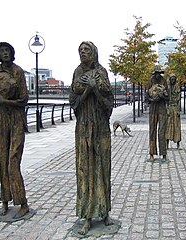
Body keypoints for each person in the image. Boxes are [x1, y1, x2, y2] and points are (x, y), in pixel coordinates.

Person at [69, 41, 114, 235]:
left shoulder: (102, 71)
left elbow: (108, 101)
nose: (83, 53)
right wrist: (89, 89)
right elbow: (74, 102)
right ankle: (87, 216)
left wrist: (95, 88)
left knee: (103, 167)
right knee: (85, 168)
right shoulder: (77, 72)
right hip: (84, 127)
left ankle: (104, 212)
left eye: (86, 50)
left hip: (101, 127)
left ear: (94, 52)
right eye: (80, 50)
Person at [0, 42, 29, 219]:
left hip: (16, 119)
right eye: (1, 51)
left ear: (12, 53)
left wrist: (6, 102)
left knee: (13, 160)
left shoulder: (18, 71)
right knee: (3, 159)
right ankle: (5, 200)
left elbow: (24, 99)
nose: (5, 53)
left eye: (7, 50)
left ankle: (22, 203)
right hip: (3, 119)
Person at [145, 66, 169, 161]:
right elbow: (146, 98)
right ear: (154, 73)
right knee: (152, 130)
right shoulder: (150, 81)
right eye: (156, 73)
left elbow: (168, 97)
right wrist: (152, 99)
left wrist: (162, 96)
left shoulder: (164, 81)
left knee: (162, 131)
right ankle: (152, 153)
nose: (158, 75)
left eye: (159, 73)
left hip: (162, 107)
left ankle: (163, 153)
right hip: (153, 108)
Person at [166, 74, 181, 149]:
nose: (173, 80)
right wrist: (167, 110)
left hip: (175, 108)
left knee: (177, 126)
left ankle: (178, 143)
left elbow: (178, 99)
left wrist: (178, 110)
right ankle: (167, 144)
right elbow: (166, 100)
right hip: (169, 107)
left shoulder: (177, 87)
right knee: (168, 126)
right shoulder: (167, 87)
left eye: (174, 79)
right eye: (172, 79)